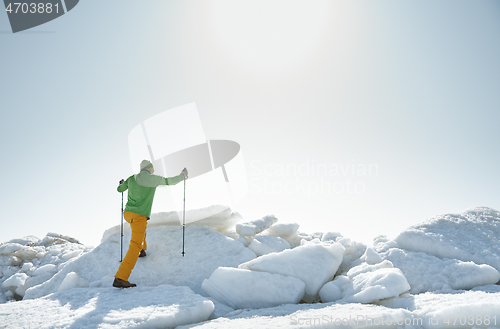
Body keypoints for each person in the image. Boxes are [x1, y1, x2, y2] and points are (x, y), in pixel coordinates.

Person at [113, 159, 188, 288]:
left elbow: (120, 189)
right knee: (134, 244)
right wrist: (182, 176)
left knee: (141, 229)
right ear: (151, 169)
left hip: (128, 214)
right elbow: (170, 181)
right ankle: (121, 277)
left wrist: (122, 183)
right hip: (138, 216)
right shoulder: (153, 179)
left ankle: (142, 250)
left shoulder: (131, 178)